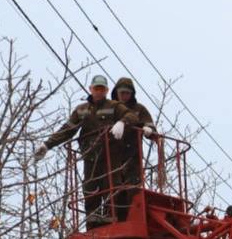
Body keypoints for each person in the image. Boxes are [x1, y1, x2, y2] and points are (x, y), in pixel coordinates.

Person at [35, 75, 147, 228]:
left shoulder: (114, 106)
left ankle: (111, 217)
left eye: (102, 89)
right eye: (96, 88)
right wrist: (47, 145)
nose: (99, 92)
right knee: (90, 189)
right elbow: (67, 130)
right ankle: (92, 223)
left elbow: (132, 116)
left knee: (112, 187)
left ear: (107, 90)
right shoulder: (82, 110)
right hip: (91, 156)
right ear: (91, 89)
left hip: (111, 155)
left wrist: (122, 122)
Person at [109, 76, 155, 221]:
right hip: (113, 156)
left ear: (132, 94)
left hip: (132, 156)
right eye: (122, 92)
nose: (124, 95)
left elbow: (150, 124)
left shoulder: (139, 109)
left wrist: (148, 129)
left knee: (132, 188)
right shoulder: (110, 109)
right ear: (116, 92)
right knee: (113, 189)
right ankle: (113, 218)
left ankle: (132, 218)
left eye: (127, 93)